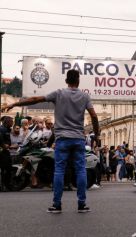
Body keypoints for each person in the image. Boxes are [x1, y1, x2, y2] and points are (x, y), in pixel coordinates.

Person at [2, 69, 100, 213]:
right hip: (78, 139)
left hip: (62, 139)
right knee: (80, 171)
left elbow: (35, 99)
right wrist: (96, 135)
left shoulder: (59, 93)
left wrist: (15, 104)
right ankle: (82, 204)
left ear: (66, 81)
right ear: (78, 81)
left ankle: (57, 205)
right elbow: (94, 116)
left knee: (59, 170)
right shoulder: (84, 96)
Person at [0, 116, 14, 191]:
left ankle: (4, 185)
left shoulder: (7, 129)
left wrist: (9, 145)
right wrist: (3, 145)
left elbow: (7, 141)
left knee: (6, 169)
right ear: (7, 122)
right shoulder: (2, 129)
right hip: (3, 152)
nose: (12, 123)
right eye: (11, 122)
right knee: (6, 168)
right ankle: (5, 185)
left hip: (5, 151)